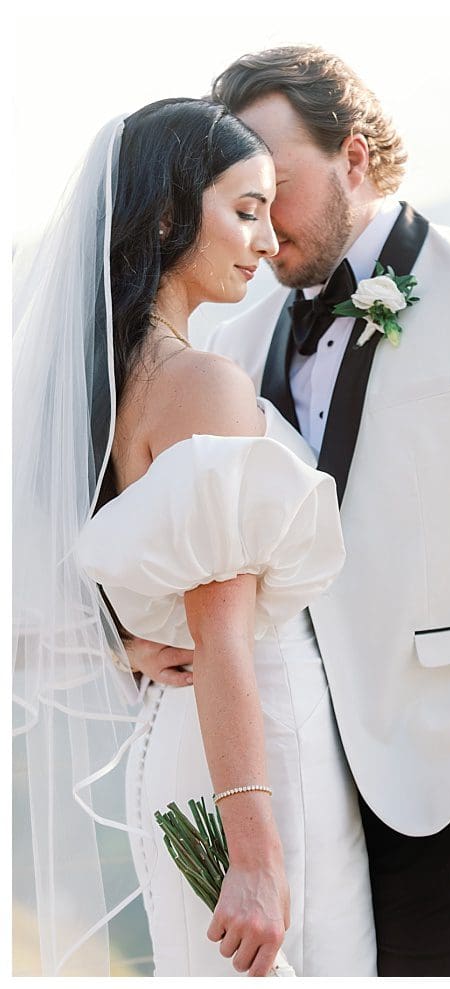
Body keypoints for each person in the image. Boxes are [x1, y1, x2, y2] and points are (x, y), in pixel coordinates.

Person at [162, 47, 450, 976]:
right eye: (235, 192)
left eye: (276, 181)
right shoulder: (235, 338)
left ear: (355, 160)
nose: (258, 224)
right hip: (302, 777)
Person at [15, 97, 369, 977]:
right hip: (255, 747)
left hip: (178, 740)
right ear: (171, 216)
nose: (265, 240)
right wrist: (252, 854)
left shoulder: (112, 378)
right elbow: (220, 633)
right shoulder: (201, 381)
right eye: (245, 211)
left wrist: (125, 647)